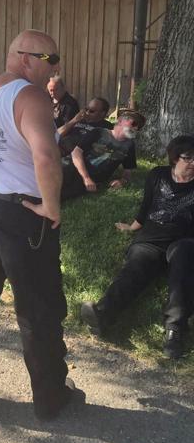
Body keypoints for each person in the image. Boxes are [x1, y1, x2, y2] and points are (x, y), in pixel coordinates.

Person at [0, 29, 85, 420]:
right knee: (38, 307)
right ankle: (50, 398)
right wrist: (52, 207)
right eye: (50, 59)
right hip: (21, 214)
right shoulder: (30, 96)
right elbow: (46, 157)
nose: (55, 66)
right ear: (25, 58)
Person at [81, 135, 194, 360]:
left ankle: (174, 331)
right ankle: (103, 314)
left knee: (183, 265)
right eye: (188, 158)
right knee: (135, 269)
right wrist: (132, 227)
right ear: (175, 158)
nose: (193, 163)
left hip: (183, 241)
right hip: (151, 240)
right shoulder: (158, 175)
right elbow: (146, 207)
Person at [61, 109, 145, 200]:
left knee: (62, 194)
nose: (136, 128)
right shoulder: (98, 132)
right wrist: (86, 178)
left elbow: (127, 172)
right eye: (134, 123)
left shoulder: (129, 146)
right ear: (120, 120)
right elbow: (76, 153)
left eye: (139, 127)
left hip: (90, 180)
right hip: (71, 167)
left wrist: (122, 181)